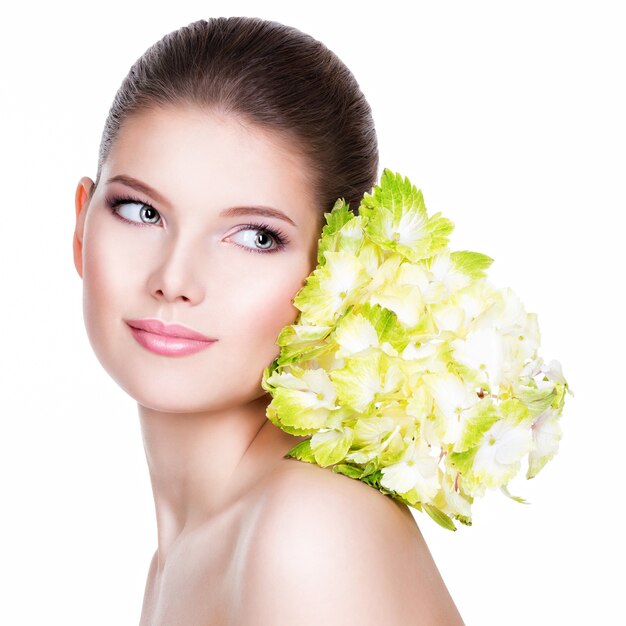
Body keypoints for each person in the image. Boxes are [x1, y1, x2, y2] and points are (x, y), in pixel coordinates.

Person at [72, 16, 464, 625]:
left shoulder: (307, 530)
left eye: (255, 237)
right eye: (141, 211)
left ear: (339, 273)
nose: (174, 280)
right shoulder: (187, 553)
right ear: (81, 224)